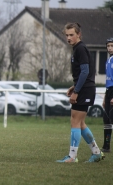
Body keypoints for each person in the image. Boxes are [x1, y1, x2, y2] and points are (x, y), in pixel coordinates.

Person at [56, 22, 105, 163]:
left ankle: (72, 157)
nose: (68, 38)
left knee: (75, 121)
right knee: (80, 123)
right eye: (66, 35)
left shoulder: (80, 49)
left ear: (79, 34)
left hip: (84, 90)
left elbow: (85, 71)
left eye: (71, 35)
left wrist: (76, 91)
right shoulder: (77, 49)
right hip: (84, 88)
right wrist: (74, 86)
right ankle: (96, 153)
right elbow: (83, 73)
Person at [102, 37, 113, 153]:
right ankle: (106, 146)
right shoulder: (108, 61)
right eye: (108, 46)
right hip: (109, 91)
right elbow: (108, 82)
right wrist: (106, 97)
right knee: (107, 119)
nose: (109, 48)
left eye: (112, 46)